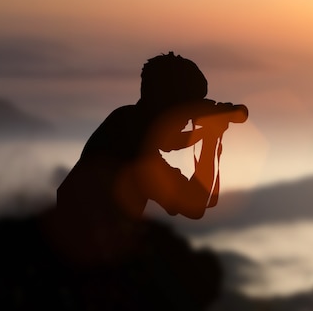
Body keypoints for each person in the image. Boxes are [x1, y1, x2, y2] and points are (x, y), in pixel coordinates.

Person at [54, 52, 247, 262]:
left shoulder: (124, 120)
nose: (190, 116)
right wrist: (209, 139)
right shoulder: (136, 149)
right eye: (188, 108)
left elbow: (168, 141)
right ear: (169, 104)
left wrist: (205, 132)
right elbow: (195, 204)